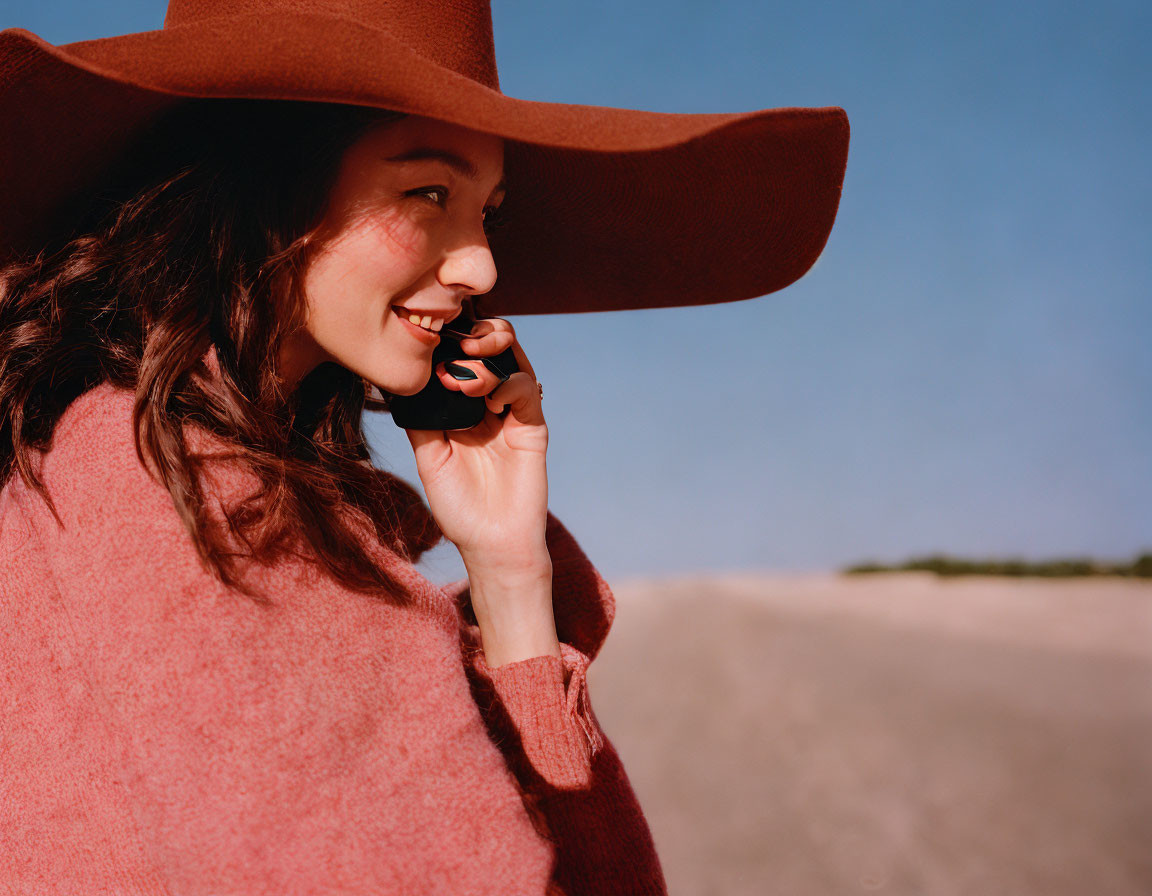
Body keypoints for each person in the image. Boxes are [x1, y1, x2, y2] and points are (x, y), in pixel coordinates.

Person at [0, 1, 849, 893]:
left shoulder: (100, 460)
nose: (481, 267)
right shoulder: (198, 497)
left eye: (487, 212)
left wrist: (512, 574)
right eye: (428, 193)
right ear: (262, 181)